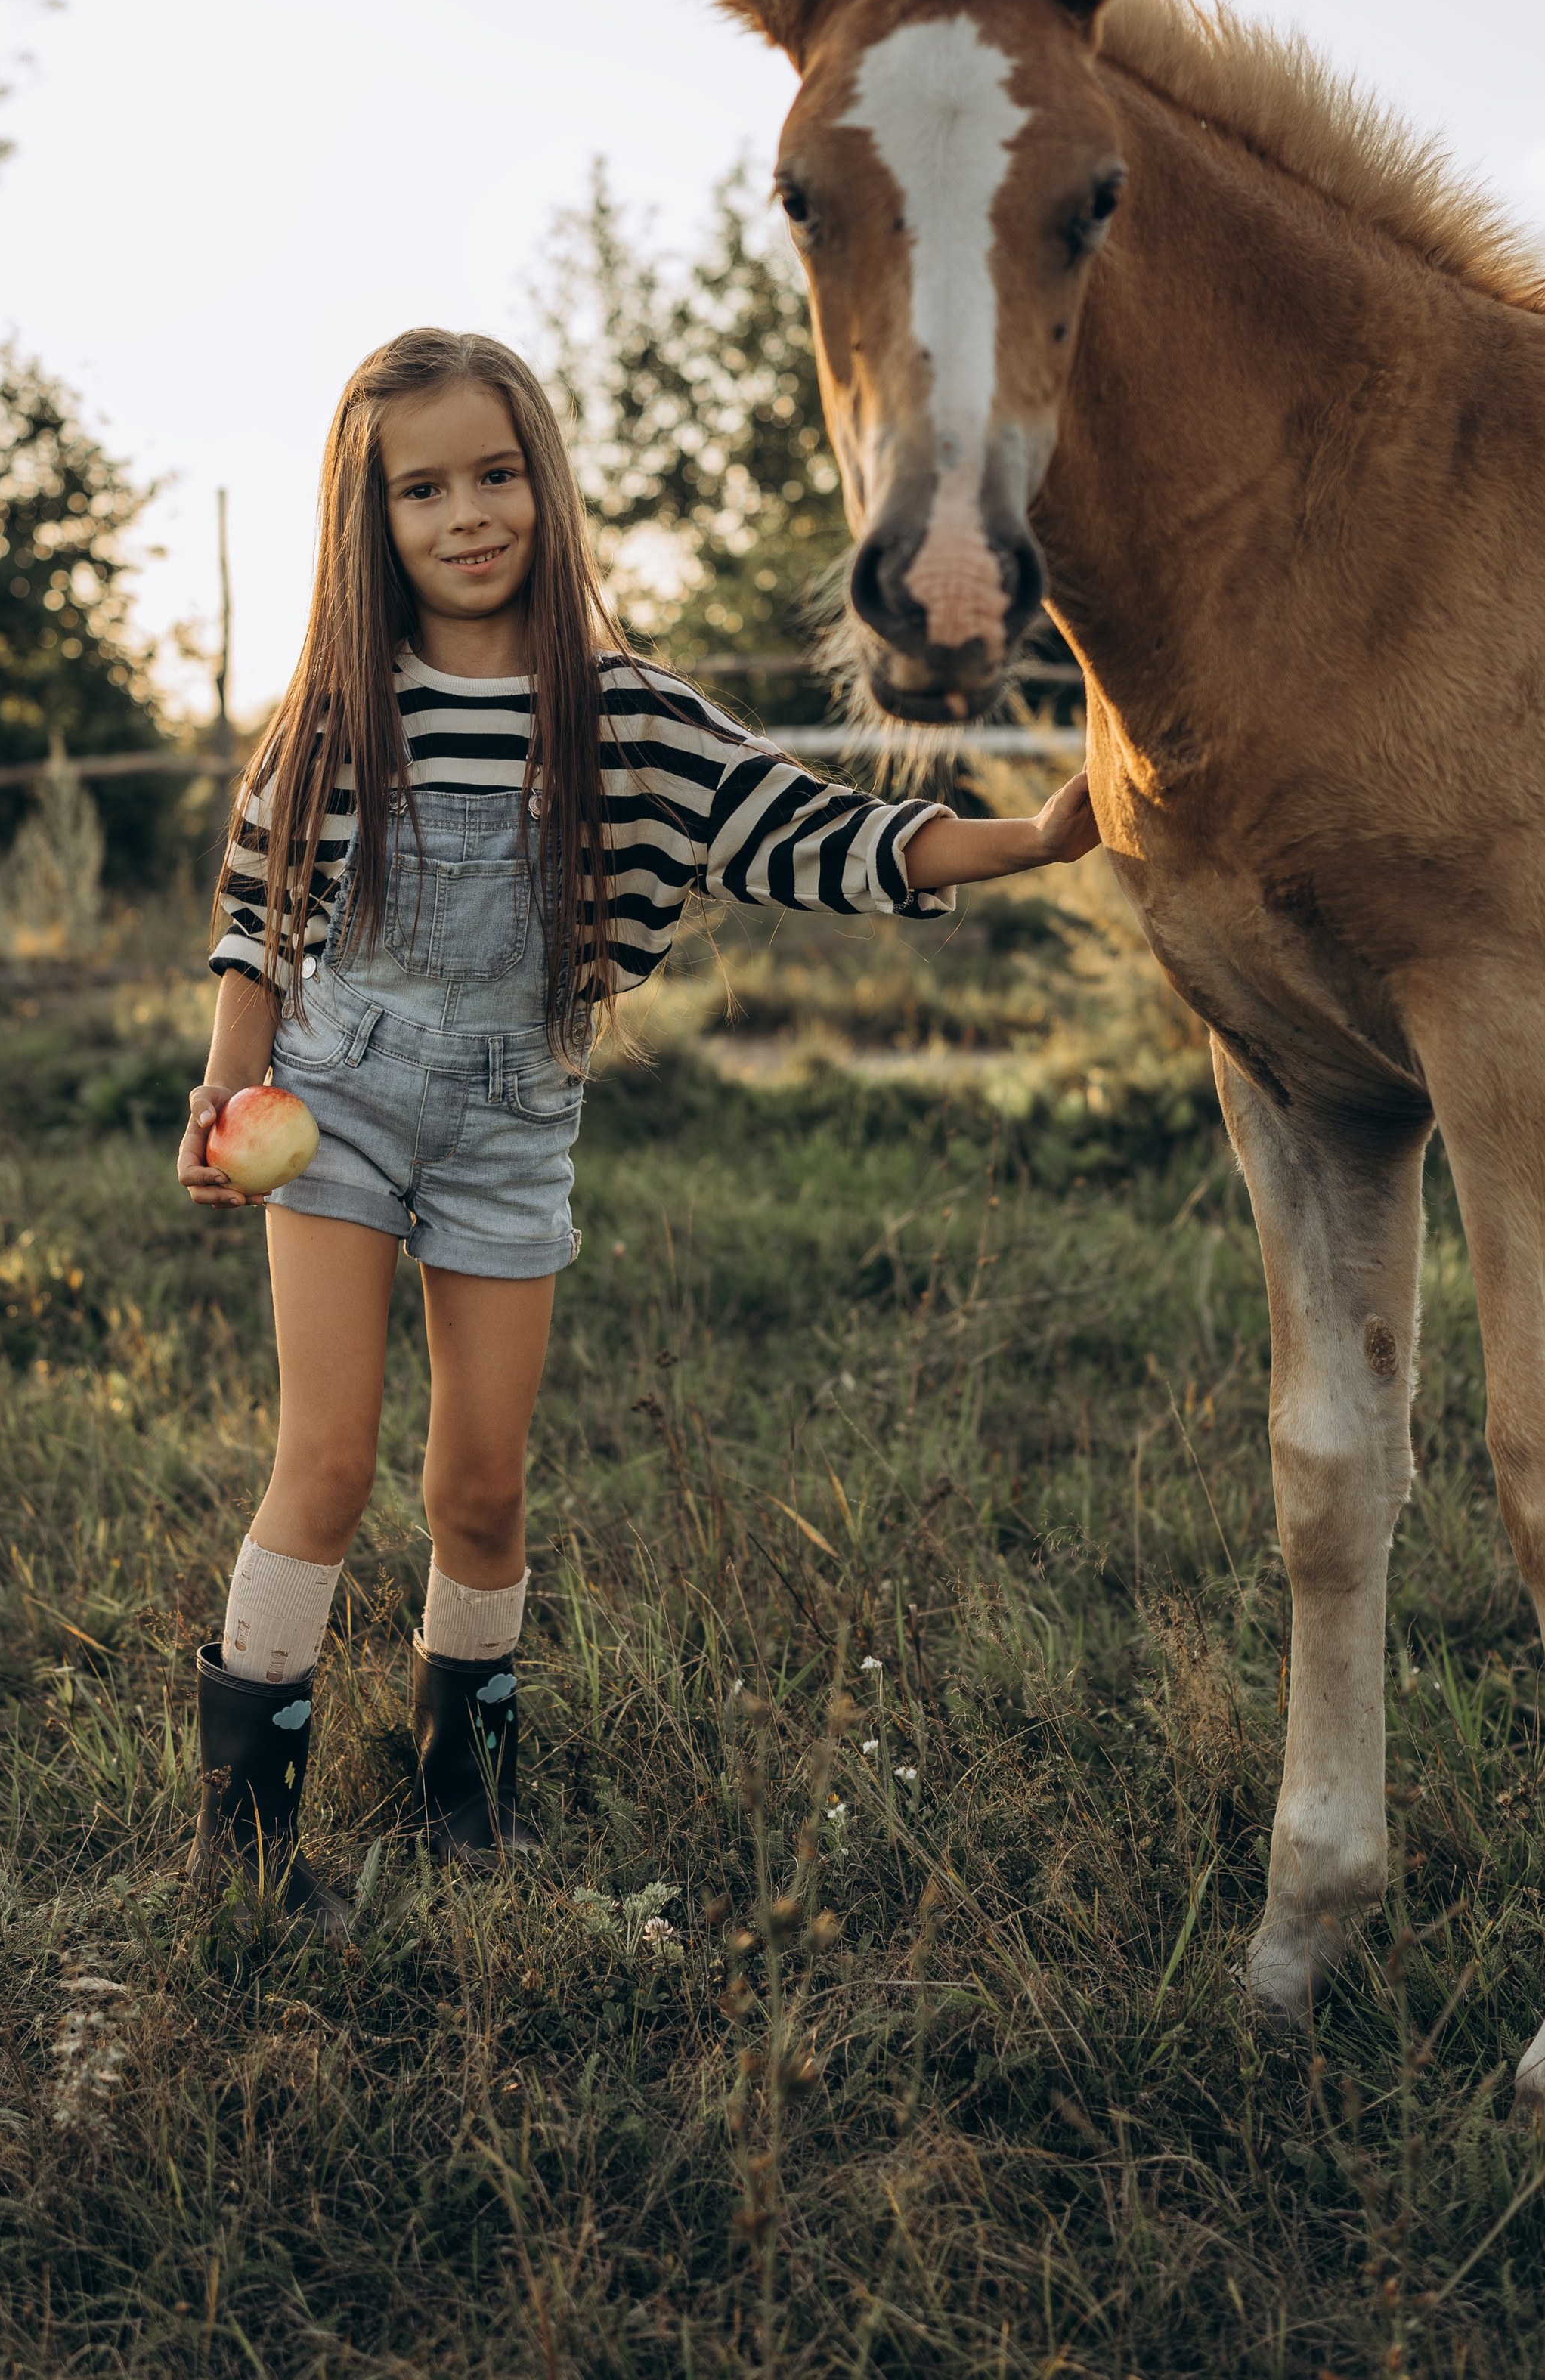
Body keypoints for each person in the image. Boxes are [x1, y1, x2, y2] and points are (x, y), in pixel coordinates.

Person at [175, 327, 1099, 1930]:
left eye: (495, 472)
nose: (466, 513)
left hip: (512, 1128)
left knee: (480, 1486)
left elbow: (822, 835)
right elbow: (259, 912)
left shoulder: (626, 718)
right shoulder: (333, 712)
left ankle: (465, 1794)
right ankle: (243, 1851)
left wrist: (1033, 833)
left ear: (544, 482)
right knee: (322, 1462)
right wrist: (224, 1084)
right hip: (331, 1112)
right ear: (368, 517)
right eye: (421, 488)